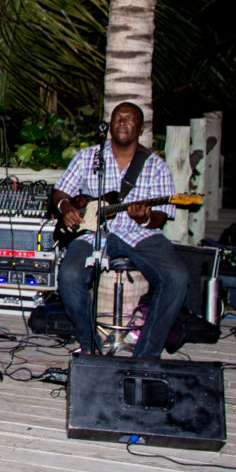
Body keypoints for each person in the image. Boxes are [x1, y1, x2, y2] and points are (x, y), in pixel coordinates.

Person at [50, 102, 188, 359]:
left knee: (176, 278)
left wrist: (145, 218)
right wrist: (65, 206)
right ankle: (90, 345)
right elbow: (60, 192)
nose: (123, 122)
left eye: (130, 119)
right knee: (69, 276)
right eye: (118, 118)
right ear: (109, 125)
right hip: (92, 234)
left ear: (141, 128)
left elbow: (159, 219)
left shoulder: (155, 166)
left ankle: (146, 356)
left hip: (139, 235)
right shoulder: (87, 157)